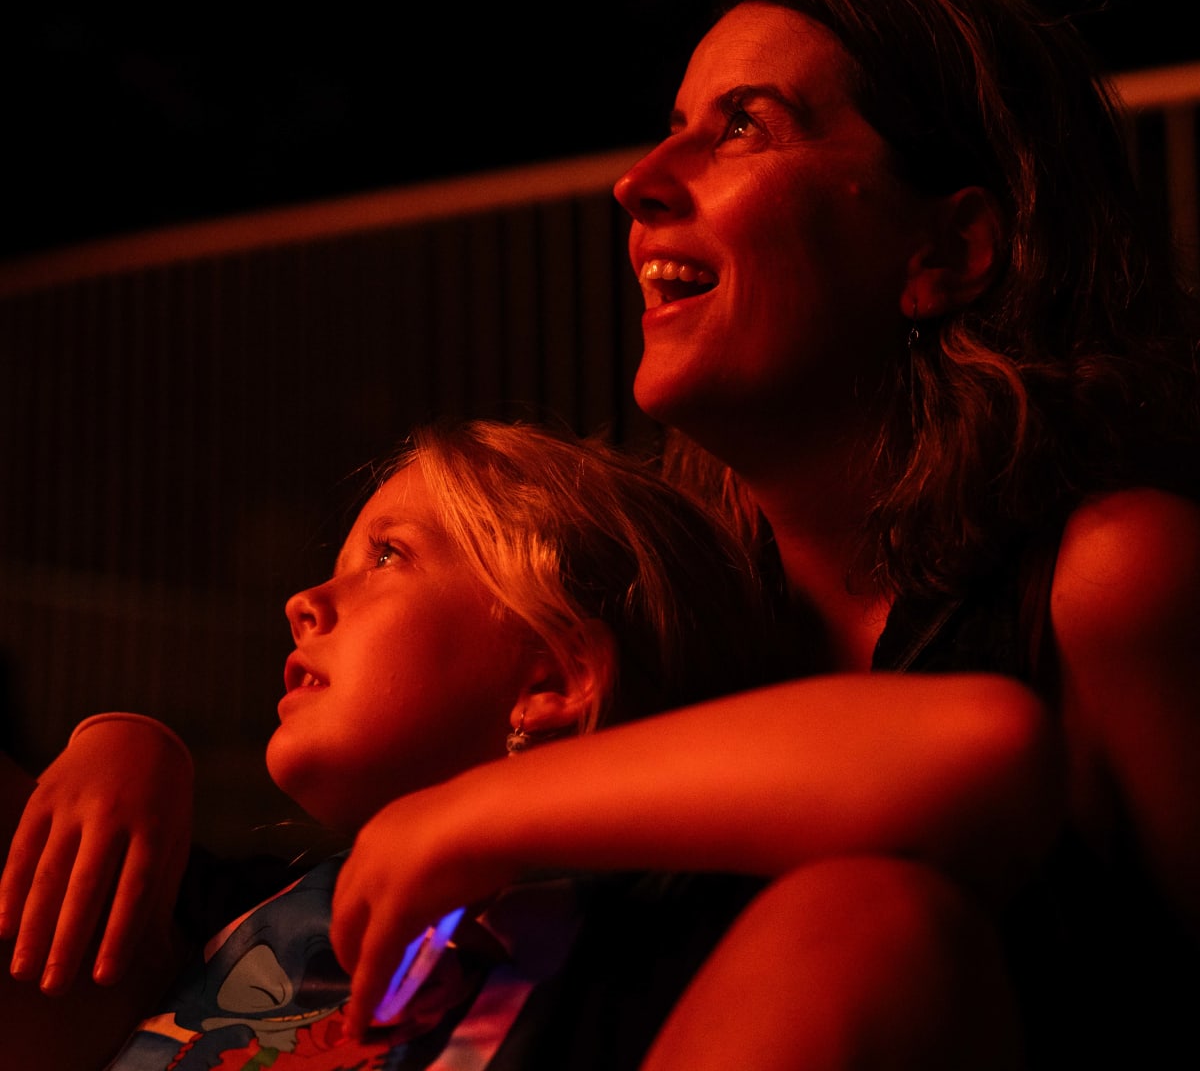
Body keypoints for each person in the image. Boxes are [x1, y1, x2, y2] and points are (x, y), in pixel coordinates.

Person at [268, 0, 1198, 1069]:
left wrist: (471, 813)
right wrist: (127, 751)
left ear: (948, 249)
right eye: (674, 124)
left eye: (745, 125)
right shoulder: (673, 614)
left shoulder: (1112, 577)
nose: (639, 181)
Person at [0, 418, 1051, 1069]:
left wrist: (471, 814)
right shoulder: (238, 913)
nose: (304, 601)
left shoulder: (646, 943)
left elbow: (980, 744)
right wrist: (123, 738)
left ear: (550, 680)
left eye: (386, 557)